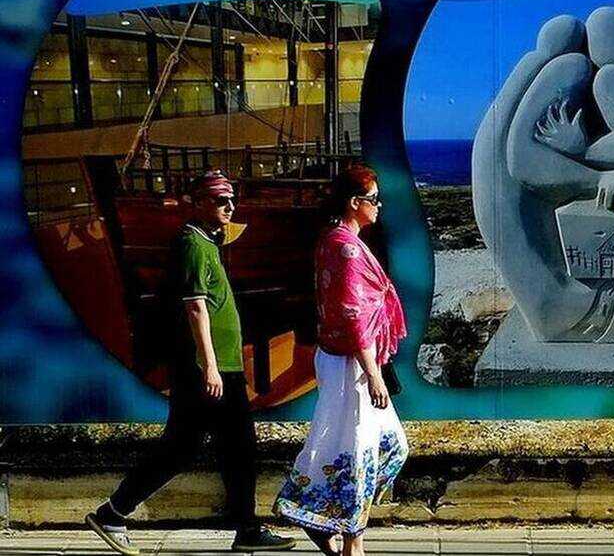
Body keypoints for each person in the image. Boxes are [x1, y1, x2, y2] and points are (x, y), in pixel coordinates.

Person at [85, 171, 295, 555]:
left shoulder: (207, 242)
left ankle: (243, 527)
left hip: (216, 367)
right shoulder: (193, 244)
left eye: (231, 199)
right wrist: (210, 366)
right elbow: (195, 307)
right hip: (208, 369)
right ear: (197, 203)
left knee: (213, 447)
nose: (229, 206)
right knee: (211, 447)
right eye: (219, 200)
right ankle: (114, 513)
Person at [274, 165, 409, 556]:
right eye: (373, 199)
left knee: (388, 447)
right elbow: (353, 315)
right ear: (354, 203)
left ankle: (320, 517)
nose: (379, 206)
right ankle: (353, 542)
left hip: (350, 359)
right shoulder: (346, 248)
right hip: (353, 363)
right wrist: (374, 374)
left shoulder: (335, 239)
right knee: (358, 452)